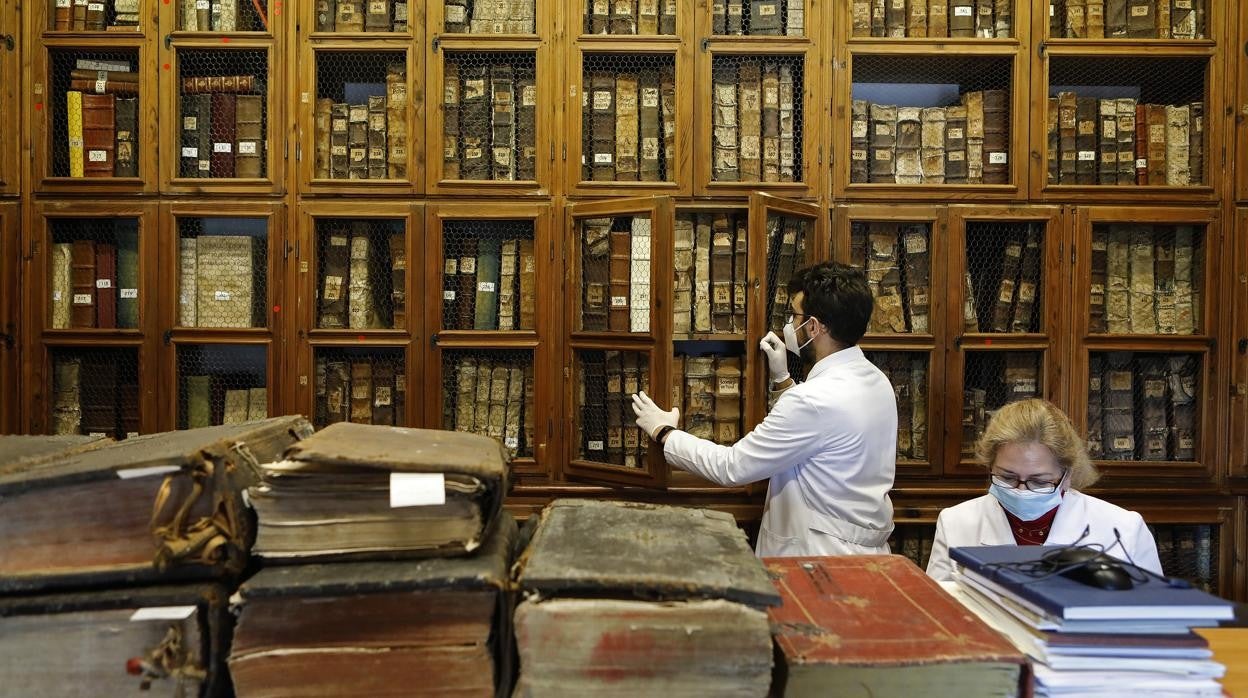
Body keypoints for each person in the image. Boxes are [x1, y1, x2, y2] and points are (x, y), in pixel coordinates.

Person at [631, 261, 898, 557]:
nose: (789, 325)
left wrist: (665, 432)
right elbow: (816, 437)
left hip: (819, 563)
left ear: (813, 326)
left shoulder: (813, 401)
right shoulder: (878, 382)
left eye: (794, 316)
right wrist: (782, 379)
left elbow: (732, 467)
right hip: (869, 558)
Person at [926, 398, 1162, 581]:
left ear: (1067, 476)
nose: (1021, 490)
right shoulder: (955, 523)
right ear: (990, 467)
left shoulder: (1124, 529)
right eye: (1007, 477)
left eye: (1039, 481)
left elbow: (1156, 624)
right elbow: (936, 616)